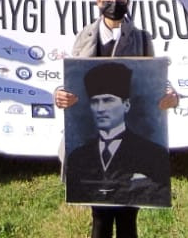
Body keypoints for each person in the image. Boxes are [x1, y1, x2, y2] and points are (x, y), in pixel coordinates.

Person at [52, 0, 179, 238]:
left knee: (127, 220)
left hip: (133, 140)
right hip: (89, 141)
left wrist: (170, 95)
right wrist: (59, 93)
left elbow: (155, 79)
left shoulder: (142, 38)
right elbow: (71, 79)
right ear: (97, 2)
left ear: (128, 1)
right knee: (100, 217)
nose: (114, 2)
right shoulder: (84, 36)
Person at [62, 61, 168, 205]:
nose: (100, 109)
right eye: (95, 102)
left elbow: (157, 194)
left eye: (108, 100)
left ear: (126, 105)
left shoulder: (154, 154)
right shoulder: (78, 157)